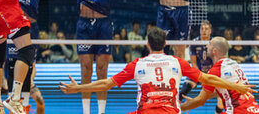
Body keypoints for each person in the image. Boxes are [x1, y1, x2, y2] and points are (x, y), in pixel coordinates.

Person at [59, 27, 256, 114]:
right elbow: (209, 80)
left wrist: (78, 88)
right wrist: (236, 87)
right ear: (166, 44)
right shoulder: (178, 62)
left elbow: (106, 83)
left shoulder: (137, 64)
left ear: (147, 44)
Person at [181, 36, 259, 113]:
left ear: (215, 51)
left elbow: (201, 101)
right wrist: (194, 100)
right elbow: (225, 90)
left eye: (210, 44)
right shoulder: (234, 63)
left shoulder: (216, 70)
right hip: (254, 108)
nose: (207, 46)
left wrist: (179, 107)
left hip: (238, 111)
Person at [179, 20, 224, 113]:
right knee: (184, 89)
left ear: (210, 31)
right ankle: (175, 110)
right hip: (198, 72)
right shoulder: (194, 42)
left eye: (206, 29)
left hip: (212, 73)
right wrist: (201, 77)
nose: (204, 31)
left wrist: (208, 77)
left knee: (221, 95)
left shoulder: (214, 42)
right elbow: (193, 63)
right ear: (199, 30)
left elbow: (217, 63)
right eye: (202, 28)